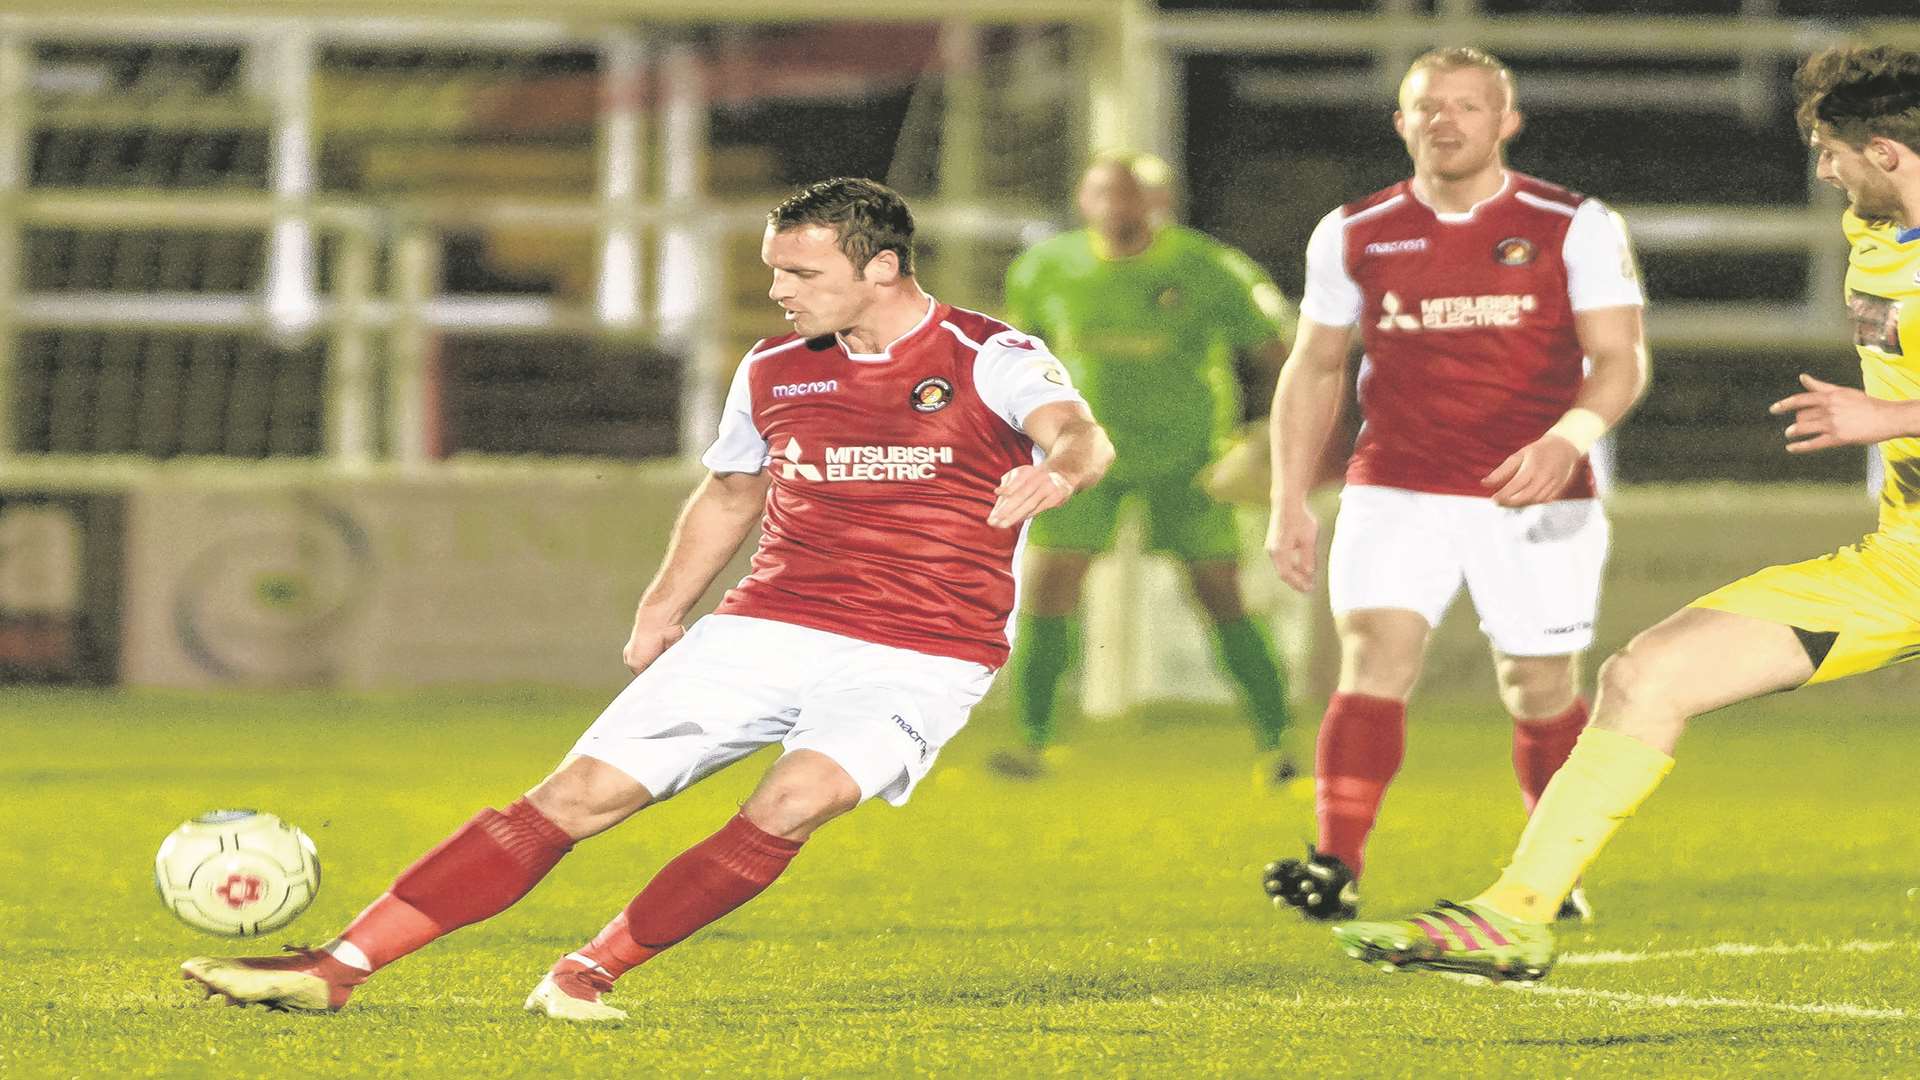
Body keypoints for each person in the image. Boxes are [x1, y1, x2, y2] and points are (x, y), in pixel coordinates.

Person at [178, 177, 1114, 1019]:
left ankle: (590, 969)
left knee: (795, 802)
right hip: (770, 624)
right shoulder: (773, 369)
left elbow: (1078, 433)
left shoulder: (987, 353)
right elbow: (732, 491)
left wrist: (1060, 475)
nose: (780, 290)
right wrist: (662, 606)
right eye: (772, 269)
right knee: (577, 798)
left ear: (882, 267)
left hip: (924, 650)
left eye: (799, 271)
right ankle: (336, 967)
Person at [1333, 43, 1920, 982]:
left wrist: (1893, 415)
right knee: (1647, 675)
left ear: (1885, 151)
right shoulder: (1877, 232)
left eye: (1832, 150)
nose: (1822, 171)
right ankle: (1514, 916)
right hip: (1905, 563)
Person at [1261, 47, 1650, 923]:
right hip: (1396, 484)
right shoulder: (1353, 231)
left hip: (1538, 491)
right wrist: (1290, 499)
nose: (1446, 120)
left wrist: (1567, 439)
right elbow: (1314, 368)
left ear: (1505, 122)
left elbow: (1620, 361)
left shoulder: (1573, 223)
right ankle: (1335, 865)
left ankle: (1551, 872)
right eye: (1428, 107)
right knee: (1372, 656)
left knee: (1540, 687)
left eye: (1468, 107)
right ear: (1401, 124)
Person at [990, 150, 1300, 785]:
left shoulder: (1208, 267)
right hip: (1080, 460)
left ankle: (1279, 744)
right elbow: (1014, 360)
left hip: (1187, 460)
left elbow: (1277, 350)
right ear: (1084, 201)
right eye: (1104, 193)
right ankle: (1034, 743)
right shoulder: (1044, 269)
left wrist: (1265, 433)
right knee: (1049, 588)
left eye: (1131, 195)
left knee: (1220, 594)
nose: (1116, 207)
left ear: (1159, 203)